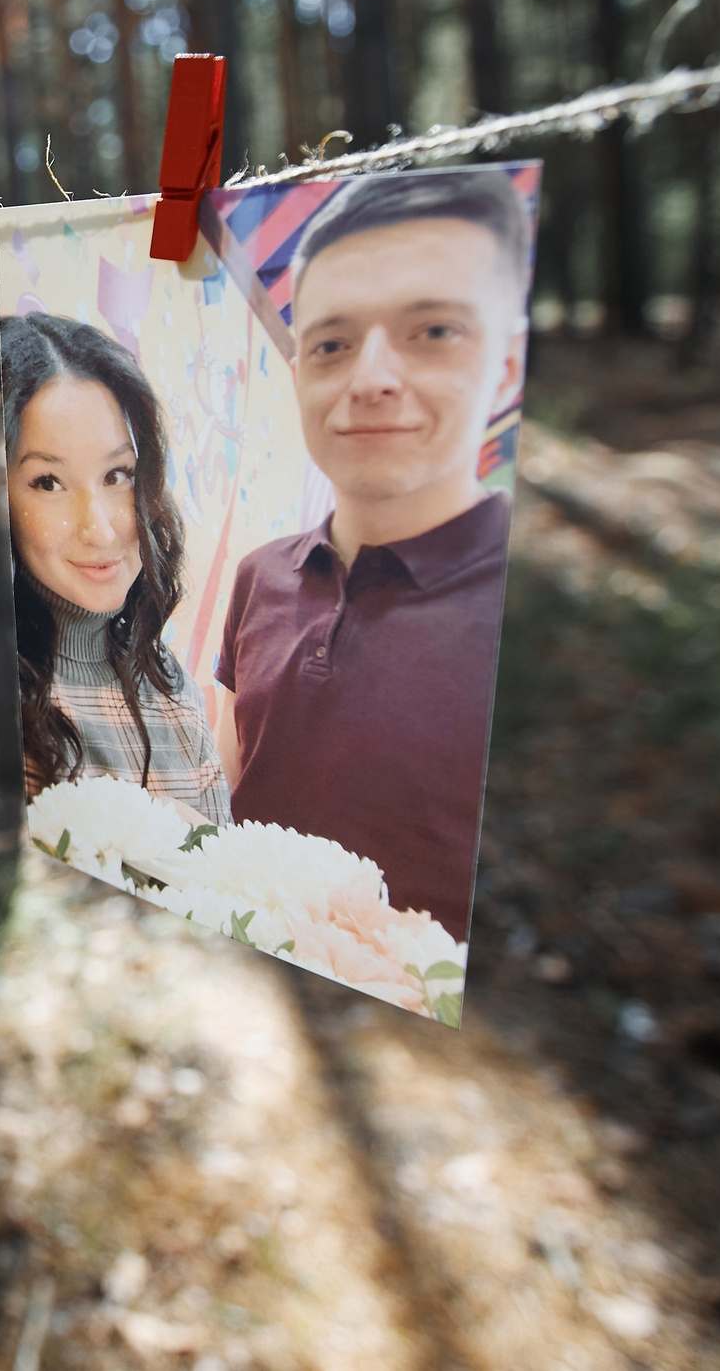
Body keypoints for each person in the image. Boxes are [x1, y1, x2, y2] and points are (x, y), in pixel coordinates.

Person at [213, 169, 530, 942]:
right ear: (298, 377)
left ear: (508, 369)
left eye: (432, 332)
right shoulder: (259, 574)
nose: (371, 379)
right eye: (331, 343)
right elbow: (232, 786)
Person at [4, 311, 230, 830]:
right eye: (48, 482)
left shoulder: (172, 691)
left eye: (116, 475)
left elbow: (229, 899)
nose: (101, 530)